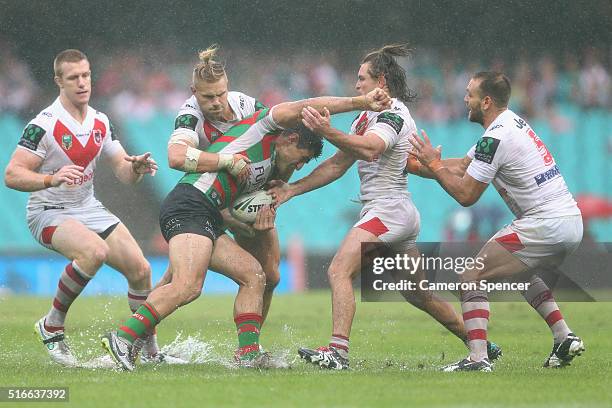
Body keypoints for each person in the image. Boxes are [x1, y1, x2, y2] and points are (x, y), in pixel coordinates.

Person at [100, 86, 392, 371]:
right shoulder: (264, 127)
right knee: (188, 286)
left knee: (255, 276)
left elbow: (239, 215)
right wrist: (361, 102)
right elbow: (308, 104)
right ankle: (122, 339)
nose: (299, 167)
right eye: (301, 158)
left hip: (209, 216)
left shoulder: (274, 168)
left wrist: (260, 224)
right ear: (289, 138)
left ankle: (248, 355)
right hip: (189, 205)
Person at [267, 44, 500, 370]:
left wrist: (326, 129)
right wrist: (293, 188)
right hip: (389, 212)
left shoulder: (393, 115)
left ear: (383, 81)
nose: (357, 85)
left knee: (338, 270)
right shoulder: (364, 117)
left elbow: (371, 150)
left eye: (362, 78)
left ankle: (338, 352)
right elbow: (336, 165)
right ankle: (480, 344)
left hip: (389, 211)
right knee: (419, 295)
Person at [408, 71, 584, 371]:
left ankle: (478, 359)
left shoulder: (495, 138)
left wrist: (434, 164)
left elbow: (466, 194)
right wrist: (414, 164)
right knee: (519, 273)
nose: (465, 99)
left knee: (470, 278)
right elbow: (463, 167)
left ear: (486, 101)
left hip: (544, 223)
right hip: (568, 221)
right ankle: (563, 336)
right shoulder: (510, 124)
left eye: (470, 94)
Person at [3, 49, 161, 366]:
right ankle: (51, 324)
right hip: (48, 211)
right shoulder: (42, 125)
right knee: (94, 252)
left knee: (141, 270)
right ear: (58, 81)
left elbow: (122, 169)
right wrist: (50, 178)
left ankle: (150, 352)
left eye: (85, 75)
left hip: (88, 207)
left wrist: (136, 168)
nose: (81, 83)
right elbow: (12, 175)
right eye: (73, 77)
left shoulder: (101, 121)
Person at [156, 45, 284, 326]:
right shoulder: (189, 115)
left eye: (220, 94)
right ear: (193, 91)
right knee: (181, 283)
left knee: (271, 276)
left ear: (228, 87)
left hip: (247, 196)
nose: (215, 102)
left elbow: (279, 140)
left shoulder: (247, 105)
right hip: (210, 202)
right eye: (207, 96)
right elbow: (176, 157)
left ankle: (251, 347)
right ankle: (139, 337)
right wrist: (227, 161)